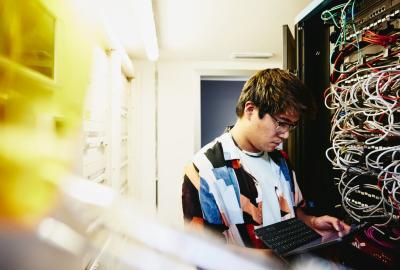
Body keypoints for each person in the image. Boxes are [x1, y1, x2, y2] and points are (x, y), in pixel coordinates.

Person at [182, 68, 351, 249]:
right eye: (282, 123)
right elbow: (202, 250)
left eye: (291, 126)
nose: (286, 135)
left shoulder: (281, 160)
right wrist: (274, 260)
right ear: (250, 110)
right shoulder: (202, 169)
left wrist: (313, 222)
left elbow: (293, 213)